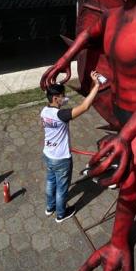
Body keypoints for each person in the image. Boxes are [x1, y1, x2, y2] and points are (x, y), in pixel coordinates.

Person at [41, 71, 101, 222]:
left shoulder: (44, 111)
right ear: (55, 98)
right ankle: (61, 214)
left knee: (50, 182)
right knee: (62, 188)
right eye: (62, 96)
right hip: (61, 159)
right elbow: (85, 106)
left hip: (48, 155)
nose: (64, 98)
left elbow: (61, 105)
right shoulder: (62, 115)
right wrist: (97, 85)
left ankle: (50, 208)